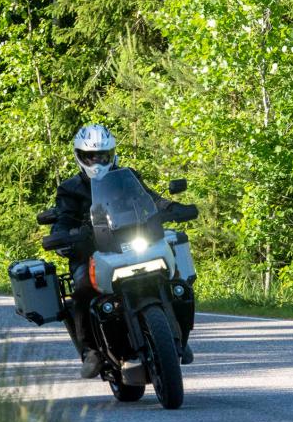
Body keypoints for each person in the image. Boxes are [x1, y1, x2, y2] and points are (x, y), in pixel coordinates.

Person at [52, 123, 193, 378]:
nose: (97, 161)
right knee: (82, 289)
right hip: (91, 252)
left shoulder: (127, 177)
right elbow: (64, 217)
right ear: (80, 156)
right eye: (91, 156)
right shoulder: (70, 189)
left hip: (133, 242)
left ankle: (180, 334)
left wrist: (174, 207)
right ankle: (91, 351)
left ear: (112, 154)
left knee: (177, 280)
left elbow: (151, 199)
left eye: (103, 155)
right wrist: (63, 234)